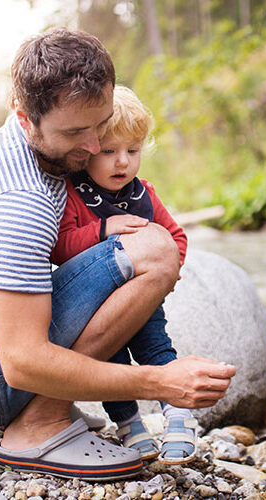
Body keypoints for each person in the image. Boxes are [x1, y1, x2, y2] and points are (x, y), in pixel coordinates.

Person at [0, 28, 236, 481]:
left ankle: (48, 413)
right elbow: (21, 362)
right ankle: (38, 427)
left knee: (155, 245)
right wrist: (160, 382)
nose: (95, 147)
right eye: (76, 132)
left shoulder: (42, 148)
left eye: (100, 124)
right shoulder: (19, 201)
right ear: (25, 119)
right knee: (155, 251)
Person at [51, 85, 195, 465]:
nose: (122, 163)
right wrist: (103, 229)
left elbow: (175, 237)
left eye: (132, 151)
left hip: (143, 299)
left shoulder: (143, 193)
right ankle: (130, 425)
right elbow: (60, 246)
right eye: (110, 151)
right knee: (110, 364)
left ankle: (178, 416)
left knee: (158, 350)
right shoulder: (74, 195)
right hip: (97, 307)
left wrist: (166, 274)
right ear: (88, 151)